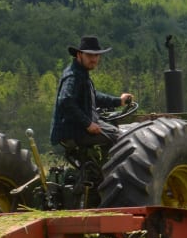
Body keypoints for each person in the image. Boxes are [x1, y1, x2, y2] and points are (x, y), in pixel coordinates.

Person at [50, 37, 135, 167]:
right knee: (121, 138)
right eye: (89, 55)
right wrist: (88, 124)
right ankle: (111, 175)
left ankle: (100, 171)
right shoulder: (73, 76)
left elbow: (93, 97)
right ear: (79, 54)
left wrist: (119, 101)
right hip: (74, 130)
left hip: (78, 127)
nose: (94, 59)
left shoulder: (81, 73)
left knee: (115, 131)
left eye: (96, 55)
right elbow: (65, 101)